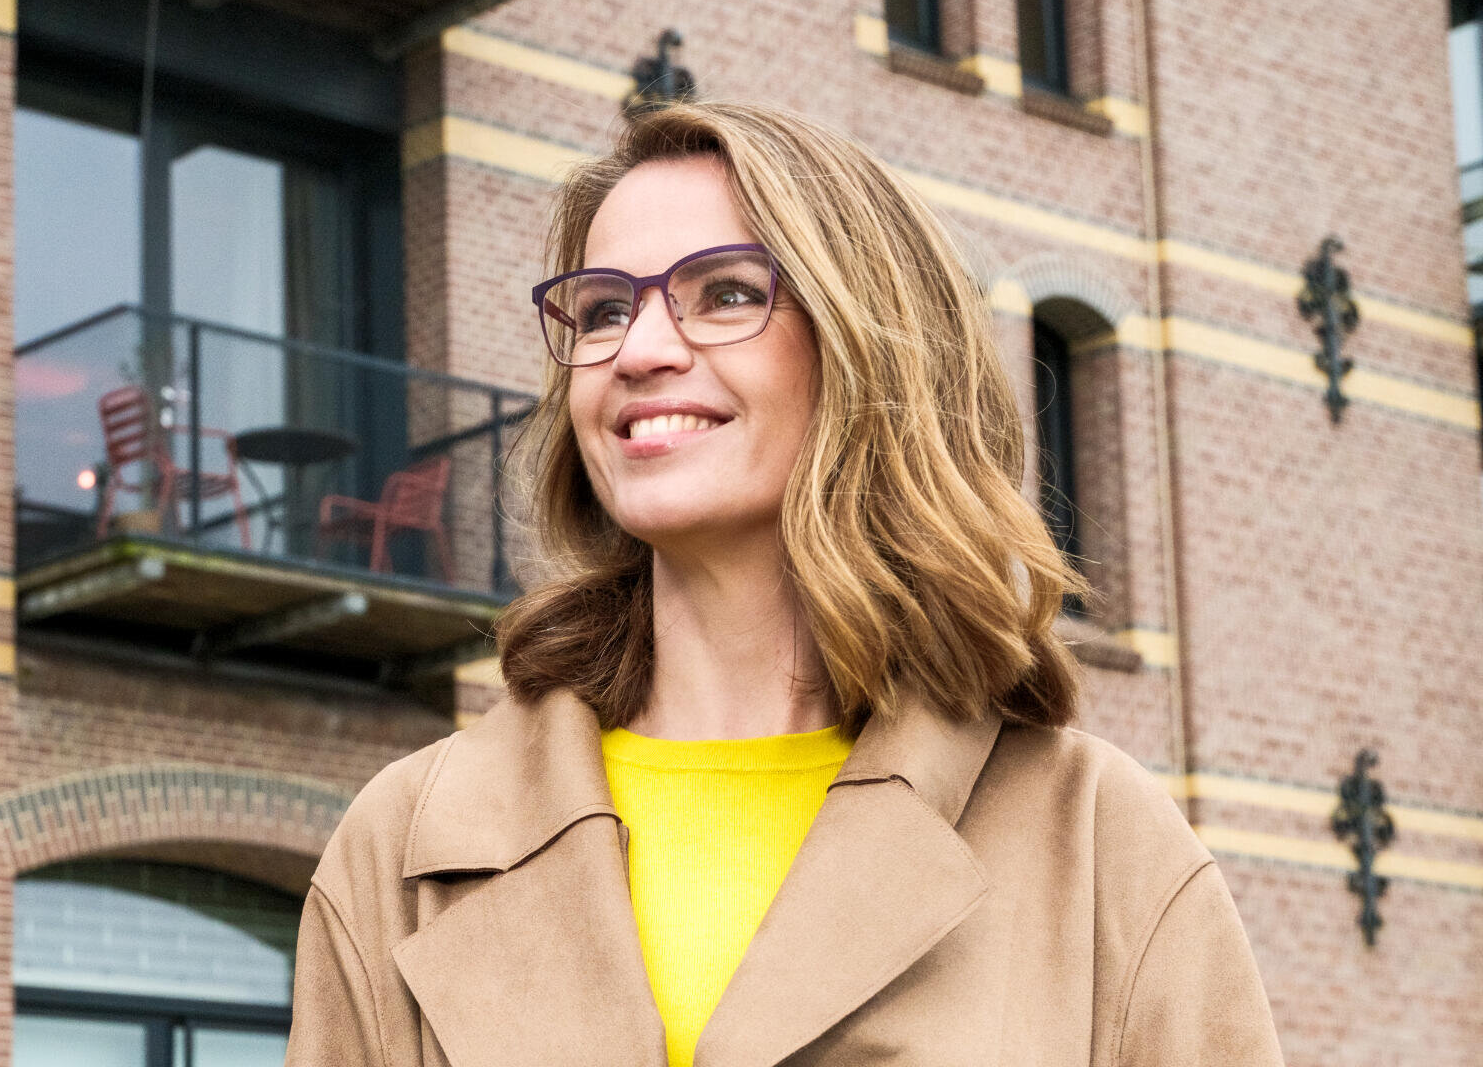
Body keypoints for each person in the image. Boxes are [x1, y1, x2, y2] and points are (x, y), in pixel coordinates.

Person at [282, 100, 1283, 1067]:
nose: (638, 350)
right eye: (601, 310)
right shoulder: (404, 847)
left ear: (868, 346)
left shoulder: (1100, 845)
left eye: (724, 293)